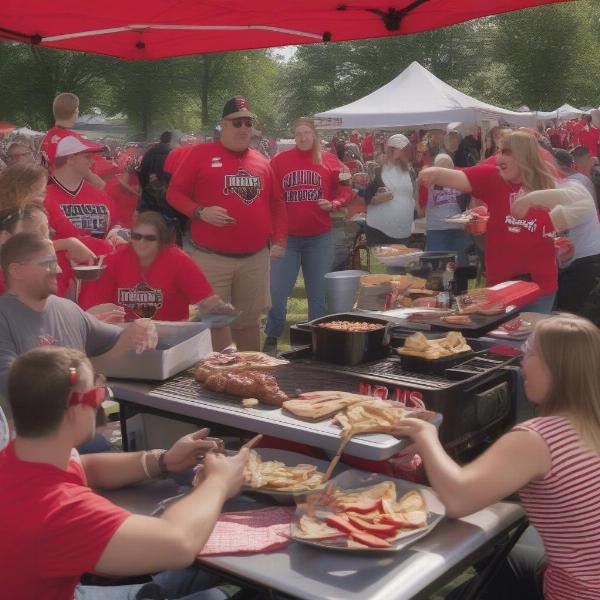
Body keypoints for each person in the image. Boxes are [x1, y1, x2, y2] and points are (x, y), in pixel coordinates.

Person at [0, 344, 249, 599]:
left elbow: (85, 466)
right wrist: (219, 482)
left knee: (185, 578)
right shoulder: (59, 512)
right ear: (74, 409)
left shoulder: (23, 455)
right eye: (96, 395)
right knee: (213, 596)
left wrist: (162, 460)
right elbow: (179, 543)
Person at [395, 315, 600, 600]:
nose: (521, 362)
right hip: (575, 576)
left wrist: (428, 437)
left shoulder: (537, 439)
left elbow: (457, 500)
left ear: (556, 366)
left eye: (528, 351)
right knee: (492, 561)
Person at [419, 131, 593, 313]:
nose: (499, 156)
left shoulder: (547, 183)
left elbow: (579, 206)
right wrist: (435, 172)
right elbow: (457, 177)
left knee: (531, 340)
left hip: (541, 288)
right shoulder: (492, 177)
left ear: (524, 156)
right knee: (499, 340)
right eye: (499, 151)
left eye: (506, 152)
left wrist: (558, 245)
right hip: (501, 289)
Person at [167, 96, 287, 352]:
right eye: (237, 123)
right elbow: (174, 194)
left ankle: (250, 374)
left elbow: (277, 204)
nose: (243, 128)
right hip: (212, 256)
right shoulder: (200, 154)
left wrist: (279, 240)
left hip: (254, 257)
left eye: (248, 122)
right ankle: (215, 379)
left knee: (249, 321)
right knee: (214, 321)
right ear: (223, 124)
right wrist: (200, 211)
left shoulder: (261, 162)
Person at [0, 232, 158, 399]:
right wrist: (76, 377)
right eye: (48, 263)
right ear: (16, 271)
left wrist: (141, 328)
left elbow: (117, 339)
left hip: (81, 422)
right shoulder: (4, 317)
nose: (59, 270)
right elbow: (10, 383)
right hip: (30, 425)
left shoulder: (69, 310)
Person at [263, 117, 352, 353]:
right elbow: (269, 195)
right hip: (287, 239)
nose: (303, 137)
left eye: (307, 133)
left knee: (317, 293)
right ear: (294, 136)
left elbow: (346, 189)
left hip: (319, 238)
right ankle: (272, 335)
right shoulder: (280, 161)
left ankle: (315, 340)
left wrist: (334, 202)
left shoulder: (330, 161)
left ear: (314, 135)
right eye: (298, 133)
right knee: (278, 290)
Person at [80, 211, 233, 322]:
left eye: (150, 238)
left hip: (170, 337)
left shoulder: (178, 260)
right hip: (122, 336)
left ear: (162, 240)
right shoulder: (114, 261)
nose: (142, 242)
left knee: (219, 323)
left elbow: (207, 301)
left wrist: (217, 308)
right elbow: (92, 311)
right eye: (137, 236)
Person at [38, 92, 105, 189]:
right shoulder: (73, 140)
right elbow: (86, 172)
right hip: (67, 188)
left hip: (47, 187)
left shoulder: (46, 136)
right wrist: (104, 188)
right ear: (75, 112)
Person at [364, 134, 416, 246]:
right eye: (402, 149)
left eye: (407, 149)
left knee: (399, 263)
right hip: (379, 230)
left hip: (402, 231)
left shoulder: (410, 171)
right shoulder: (377, 169)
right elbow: (364, 195)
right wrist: (375, 199)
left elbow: (411, 196)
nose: (406, 153)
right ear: (391, 150)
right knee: (379, 263)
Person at [419, 153, 471, 267]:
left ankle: (460, 285)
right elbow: (420, 205)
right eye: (441, 166)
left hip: (459, 229)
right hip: (437, 229)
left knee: (460, 265)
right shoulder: (428, 181)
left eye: (448, 166)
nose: (445, 169)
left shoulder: (459, 180)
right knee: (437, 267)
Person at [139, 131, 187, 240]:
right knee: (168, 226)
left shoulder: (149, 152)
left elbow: (142, 172)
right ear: (171, 141)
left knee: (150, 224)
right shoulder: (174, 154)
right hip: (168, 196)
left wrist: (145, 187)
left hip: (149, 195)